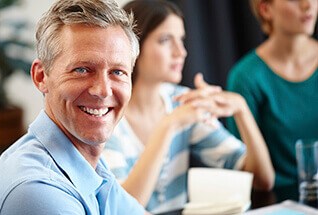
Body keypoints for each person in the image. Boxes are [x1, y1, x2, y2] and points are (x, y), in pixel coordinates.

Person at [0, 0, 149, 214]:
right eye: (82, 69)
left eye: (117, 72)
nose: (103, 90)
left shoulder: (89, 163)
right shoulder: (38, 192)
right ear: (41, 76)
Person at [102, 0, 274, 214]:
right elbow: (123, 209)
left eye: (181, 40)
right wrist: (168, 126)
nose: (180, 52)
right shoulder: (106, 116)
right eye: (165, 40)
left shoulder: (181, 101)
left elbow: (262, 180)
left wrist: (241, 109)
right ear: (132, 46)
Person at [227, 0, 318, 188]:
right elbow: (245, 166)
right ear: (266, 9)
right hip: (277, 202)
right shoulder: (245, 77)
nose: (307, 4)